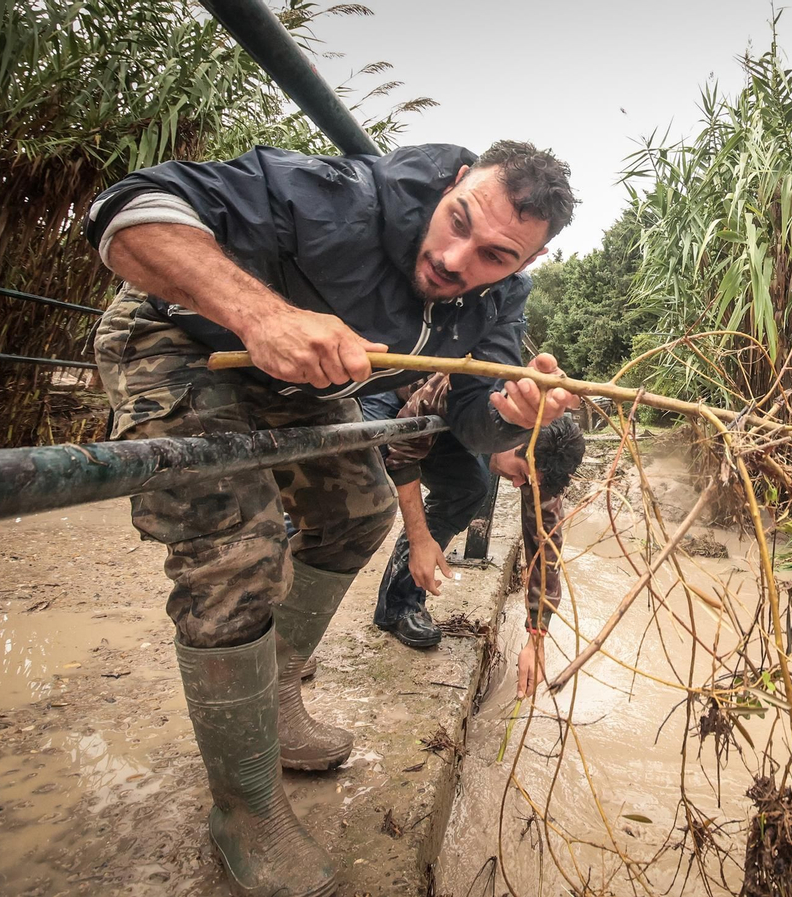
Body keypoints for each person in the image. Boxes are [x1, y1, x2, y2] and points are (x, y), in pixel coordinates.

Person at [87, 140, 579, 897]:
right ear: (454, 182)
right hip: (182, 340)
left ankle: (277, 698)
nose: (455, 260)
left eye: (495, 256)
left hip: (303, 383)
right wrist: (261, 314)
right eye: (457, 220)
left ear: (522, 262)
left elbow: (477, 423)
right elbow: (126, 212)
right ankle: (245, 806)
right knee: (238, 552)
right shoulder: (332, 196)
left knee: (360, 509)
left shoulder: (499, 300)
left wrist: (514, 413)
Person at [360, 377, 585, 698]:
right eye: (521, 472)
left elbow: (545, 544)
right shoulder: (482, 390)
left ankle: (399, 607)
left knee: (468, 489)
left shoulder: (543, 460)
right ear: (515, 438)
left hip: (457, 422)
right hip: (397, 391)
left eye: (529, 483)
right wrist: (420, 539)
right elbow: (403, 451)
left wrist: (536, 639)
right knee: (363, 496)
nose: (516, 484)